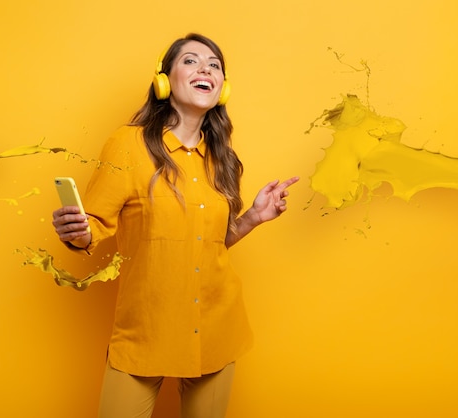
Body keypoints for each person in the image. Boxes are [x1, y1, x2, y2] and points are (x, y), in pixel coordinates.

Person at [52, 33, 299, 418]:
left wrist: (252, 217)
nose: (205, 69)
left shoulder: (223, 160)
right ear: (164, 81)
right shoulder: (127, 145)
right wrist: (78, 232)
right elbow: (94, 226)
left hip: (217, 329)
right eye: (191, 61)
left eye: (214, 65)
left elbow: (208, 243)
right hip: (146, 330)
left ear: (223, 87)